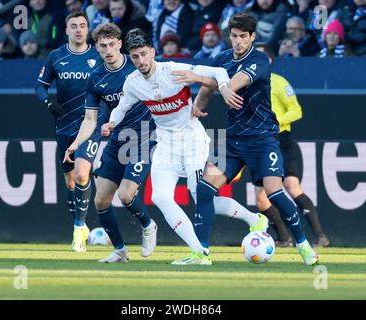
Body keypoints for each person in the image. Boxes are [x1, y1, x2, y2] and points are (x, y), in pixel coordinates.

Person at [101, 28, 267, 265]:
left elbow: (219, 71)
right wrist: (112, 122)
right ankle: (199, 251)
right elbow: (122, 106)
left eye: (143, 54)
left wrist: (224, 88)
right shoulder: (133, 83)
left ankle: (254, 220)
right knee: (159, 196)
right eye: (135, 56)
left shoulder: (173, 70)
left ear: (152, 52)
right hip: (165, 143)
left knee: (201, 196)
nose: (140, 61)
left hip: (192, 141)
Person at [173, 13, 319, 265]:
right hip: (233, 141)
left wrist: (205, 79)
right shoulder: (222, 59)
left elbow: (236, 81)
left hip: (263, 139)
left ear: (252, 37)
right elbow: (210, 88)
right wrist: (196, 107)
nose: (238, 42)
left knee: (274, 192)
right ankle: (201, 252)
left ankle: (304, 246)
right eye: (234, 36)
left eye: (243, 37)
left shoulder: (260, 59)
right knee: (204, 189)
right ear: (229, 36)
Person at [63, 23, 158, 263]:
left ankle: (148, 225)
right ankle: (120, 251)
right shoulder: (96, 78)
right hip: (117, 139)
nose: (108, 50)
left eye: (112, 44)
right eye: (102, 46)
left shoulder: (137, 64)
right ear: (96, 47)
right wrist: (75, 144)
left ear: (119, 44)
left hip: (144, 136)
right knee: (101, 200)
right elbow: (90, 119)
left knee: (126, 195)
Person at [35, 11, 102, 252]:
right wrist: (48, 103)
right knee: (70, 180)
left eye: (82, 26)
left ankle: (78, 229)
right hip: (64, 125)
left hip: (91, 124)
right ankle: (81, 226)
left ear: (87, 29)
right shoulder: (56, 56)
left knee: (83, 174)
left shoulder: (98, 55)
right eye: (73, 26)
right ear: (66, 30)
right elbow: (40, 87)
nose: (78, 30)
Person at [256, 43, 330, 247]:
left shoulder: (279, 82)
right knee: (261, 199)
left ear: (269, 60)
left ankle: (319, 234)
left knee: (291, 186)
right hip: (259, 143)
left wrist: (275, 120)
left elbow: (296, 110)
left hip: (280, 139)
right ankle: (284, 237)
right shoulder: (247, 83)